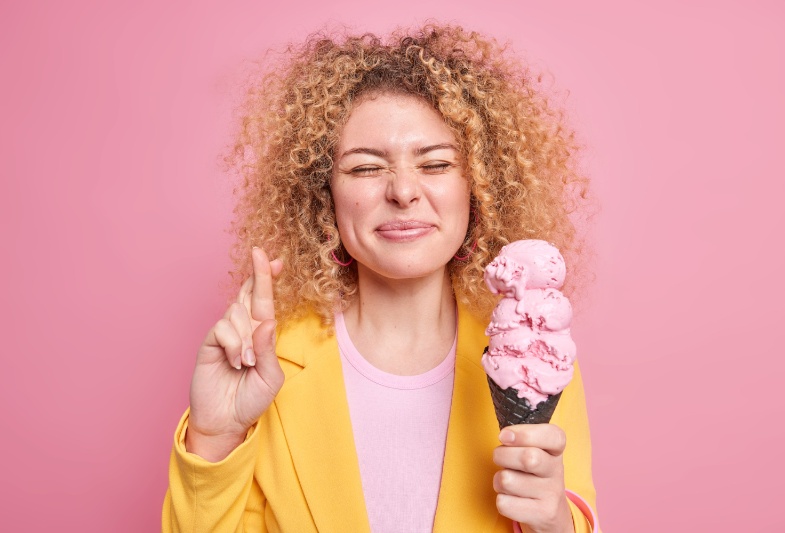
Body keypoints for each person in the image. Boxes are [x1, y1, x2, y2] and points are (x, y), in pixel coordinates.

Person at [163, 24, 599, 533]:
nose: (404, 192)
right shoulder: (266, 368)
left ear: (479, 186)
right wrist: (215, 438)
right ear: (322, 194)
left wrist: (554, 526)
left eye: (435, 163)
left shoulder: (531, 360)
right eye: (366, 169)